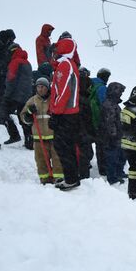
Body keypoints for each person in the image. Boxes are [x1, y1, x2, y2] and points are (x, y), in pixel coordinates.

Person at [48, 37, 81, 191]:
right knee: (65, 146)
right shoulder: (65, 64)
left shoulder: (66, 65)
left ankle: (72, 178)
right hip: (68, 113)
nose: (54, 50)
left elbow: (64, 91)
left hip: (66, 114)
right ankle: (71, 177)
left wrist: (55, 113)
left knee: (63, 146)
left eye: (57, 47)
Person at [20, 77, 63, 184]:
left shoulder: (54, 99)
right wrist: (29, 114)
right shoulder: (32, 100)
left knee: (57, 159)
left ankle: (58, 178)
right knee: (41, 160)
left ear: (48, 88)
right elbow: (23, 117)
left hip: (53, 136)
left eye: (43, 87)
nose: (40, 89)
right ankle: (45, 179)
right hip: (38, 138)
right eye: (38, 87)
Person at [0, 43, 33, 148]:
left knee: (2, 113)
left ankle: (14, 135)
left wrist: (6, 96)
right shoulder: (28, 63)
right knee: (23, 117)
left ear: (12, 51)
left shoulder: (15, 62)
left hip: (14, 95)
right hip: (26, 95)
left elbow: (10, 80)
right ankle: (29, 141)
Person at [99, 82, 126, 184]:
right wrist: (114, 136)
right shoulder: (109, 105)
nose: (121, 94)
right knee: (112, 157)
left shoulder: (113, 104)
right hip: (111, 138)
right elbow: (110, 122)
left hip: (115, 136)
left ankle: (118, 173)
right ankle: (112, 177)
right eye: (120, 92)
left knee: (119, 155)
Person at [90, 67, 111, 175]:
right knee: (102, 145)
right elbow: (105, 104)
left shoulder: (90, 84)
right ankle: (103, 169)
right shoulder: (102, 88)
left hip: (88, 119)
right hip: (99, 120)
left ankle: (88, 164)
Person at [0, 29, 16, 122]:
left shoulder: (0, 45)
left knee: (1, 96)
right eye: (11, 39)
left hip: (0, 75)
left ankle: (0, 116)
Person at [77, 67, 94, 179]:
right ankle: (84, 175)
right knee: (84, 152)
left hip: (78, 128)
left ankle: (82, 172)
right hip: (83, 129)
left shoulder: (77, 94)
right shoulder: (84, 99)